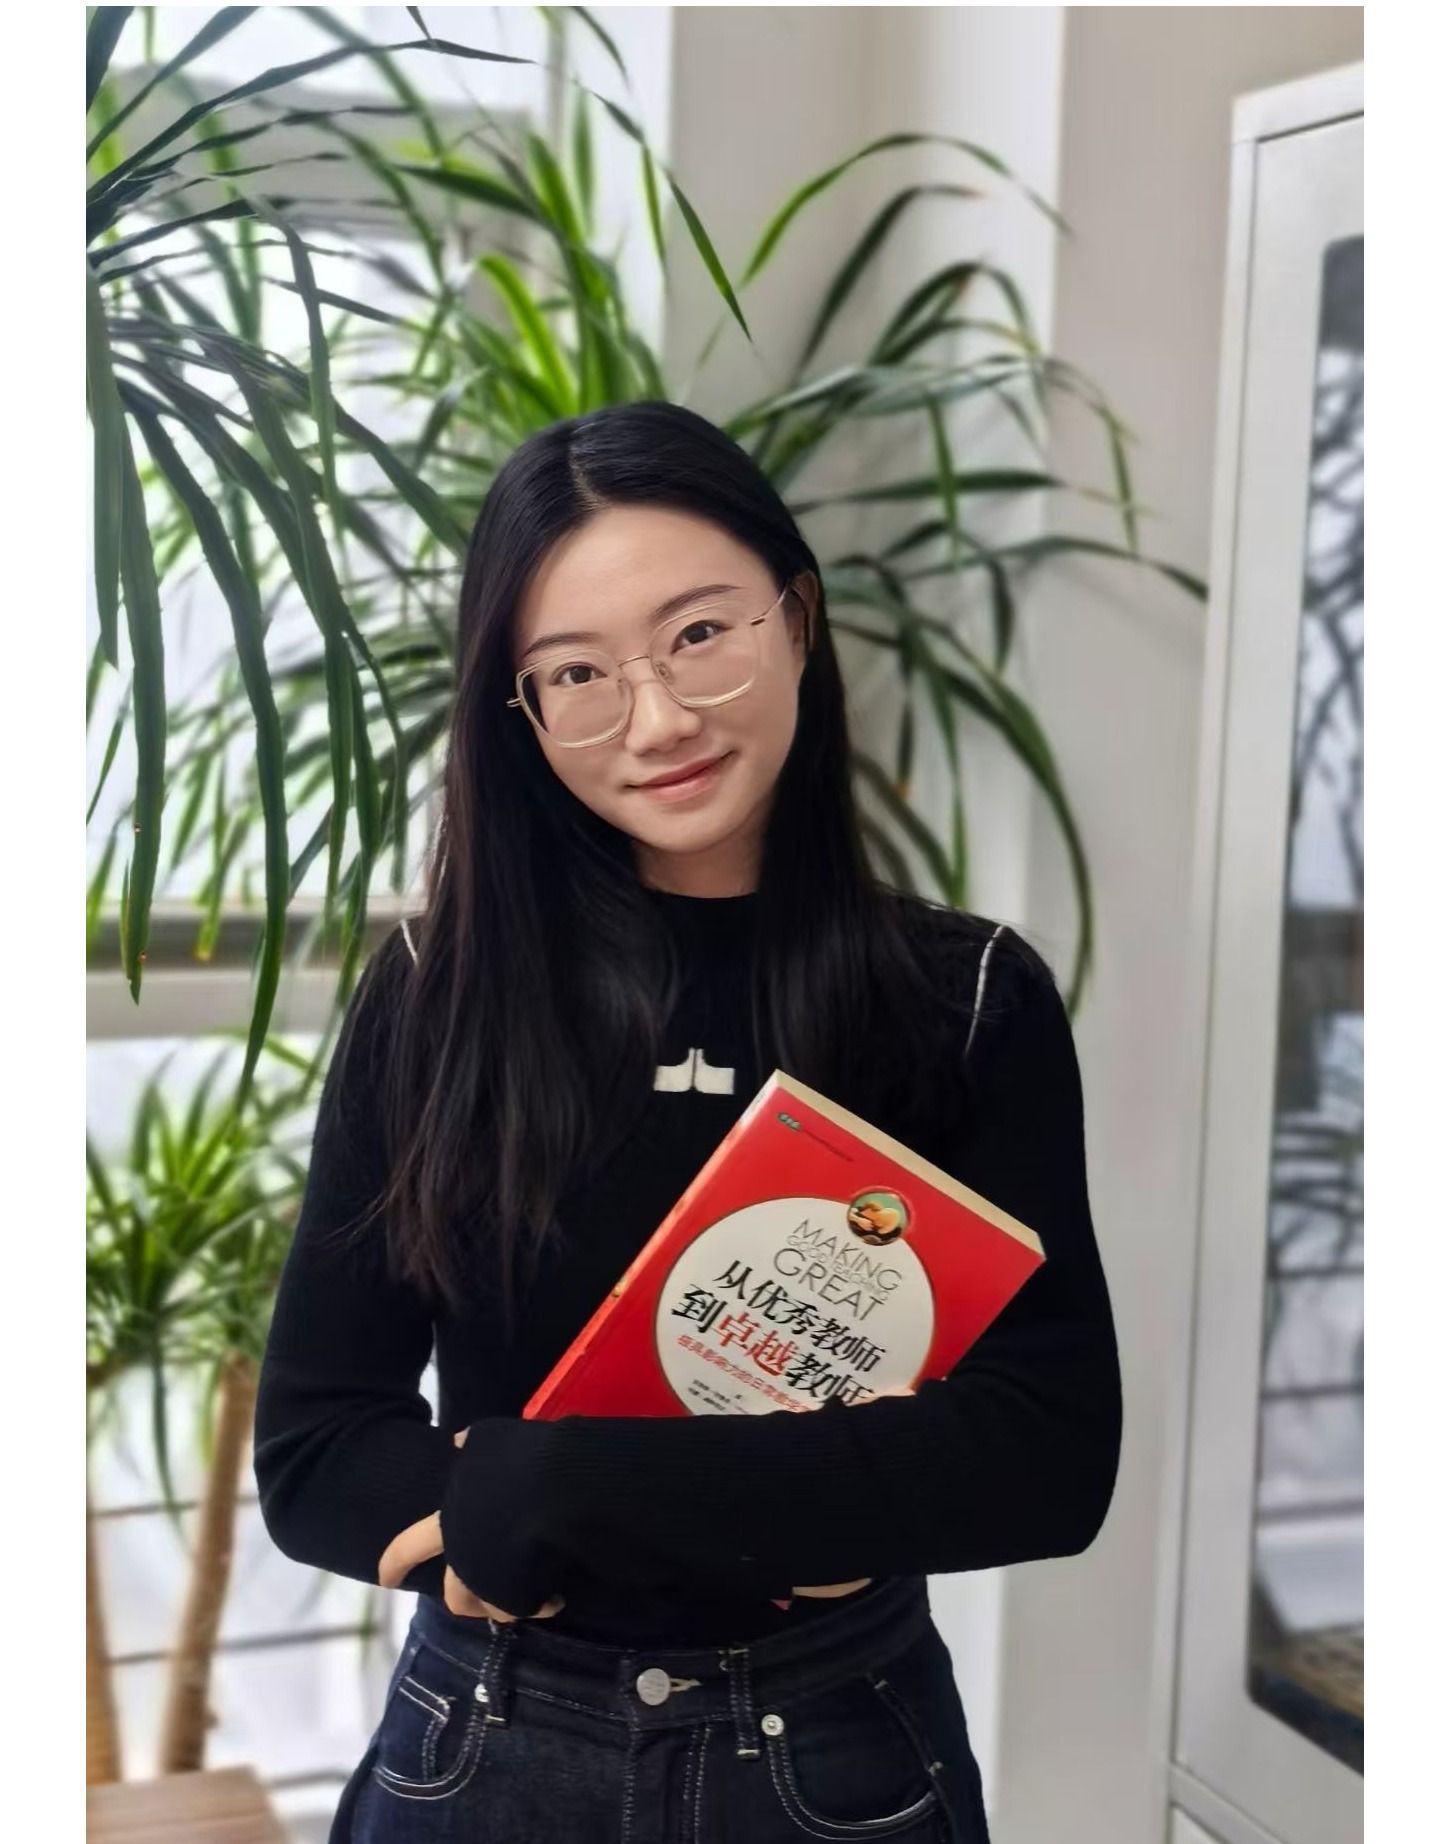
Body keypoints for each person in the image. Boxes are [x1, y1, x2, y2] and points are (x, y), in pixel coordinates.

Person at [253, 400, 1122, 1844]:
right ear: (518, 712)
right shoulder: (435, 995)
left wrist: (549, 1488)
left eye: (700, 635)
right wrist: (806, 1507)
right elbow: (316, 1448)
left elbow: (1044, 1454)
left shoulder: (963, 998)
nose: (655, 721)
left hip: (837, 1756)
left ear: (798, 620)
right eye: (575, 674)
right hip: (485, 1749)